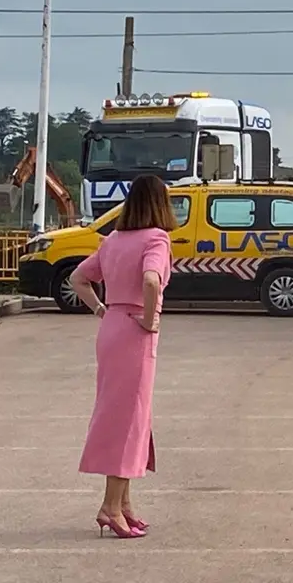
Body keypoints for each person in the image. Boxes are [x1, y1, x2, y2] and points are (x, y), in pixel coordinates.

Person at [69, 174, 176, 540]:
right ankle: (111, 506)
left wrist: (100, 308)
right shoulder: (157, 239)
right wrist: (150, 318)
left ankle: (125, 503)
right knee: (128, 418)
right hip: (134, 330)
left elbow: (78, 278)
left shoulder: (113, 240)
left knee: (127, 415)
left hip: (112, 324)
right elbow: (150, 280)